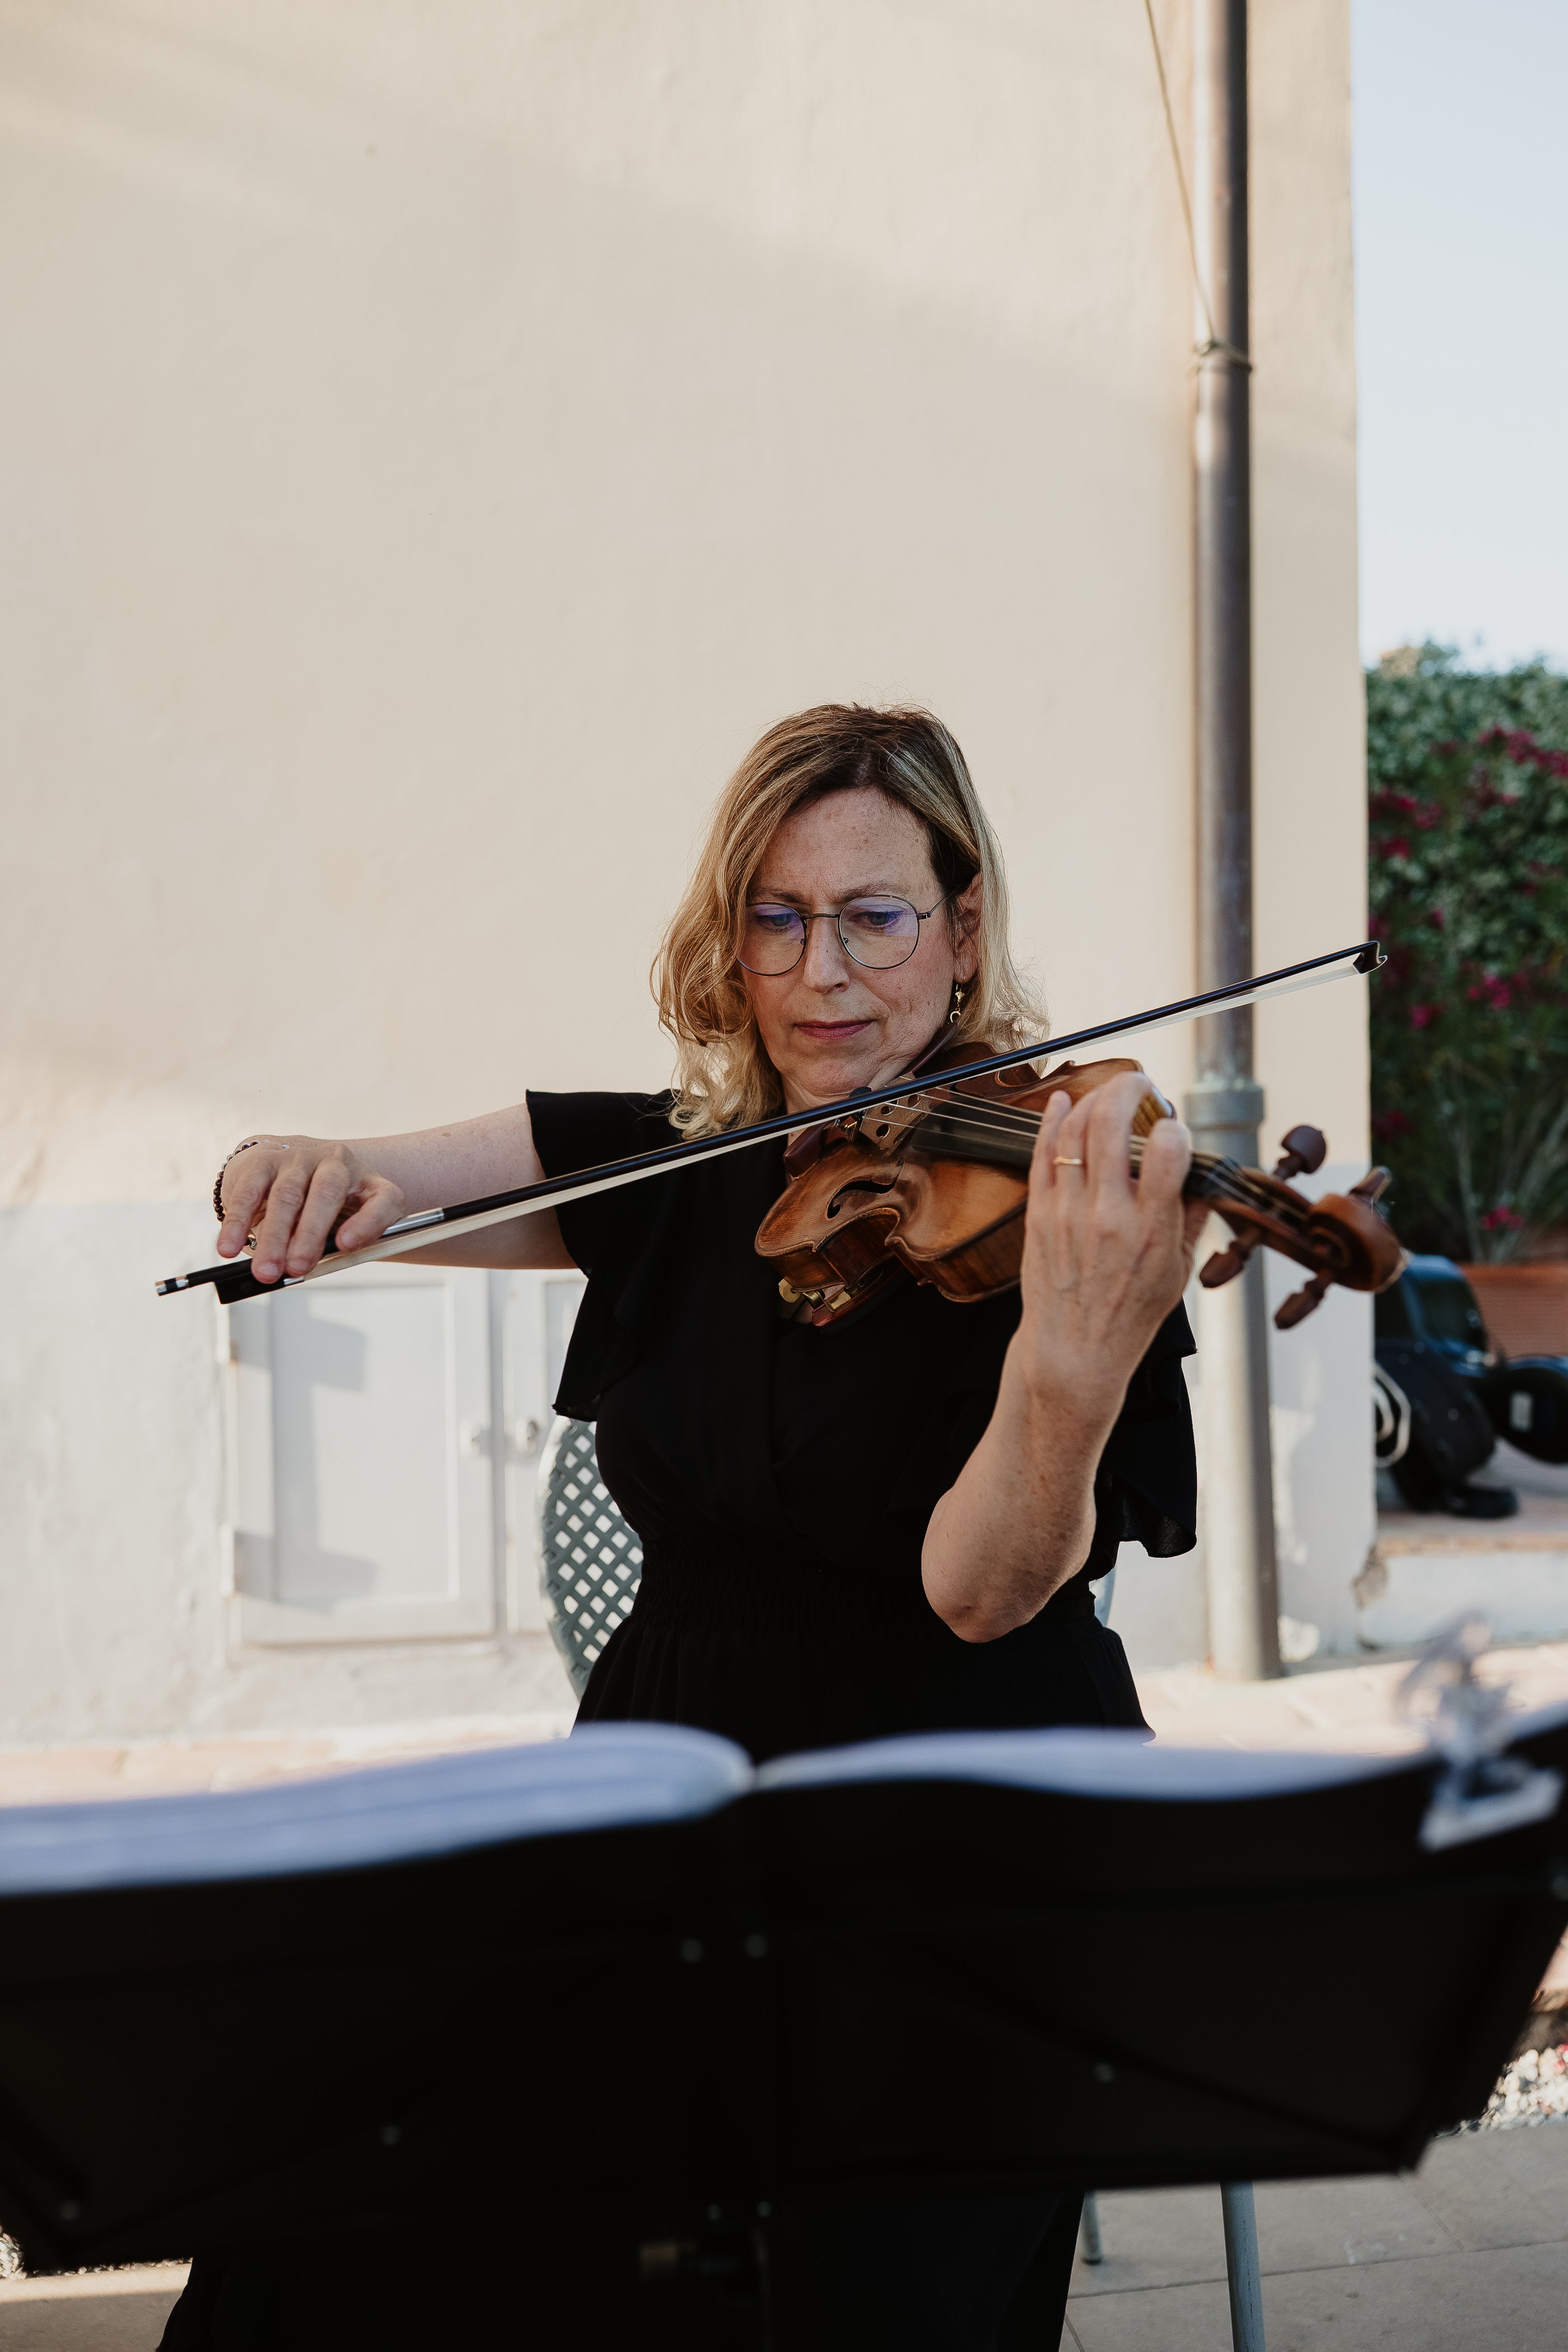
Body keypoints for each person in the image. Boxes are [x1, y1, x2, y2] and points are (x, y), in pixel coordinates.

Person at [163, 704, 1205, 2352]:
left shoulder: (1069, 1205)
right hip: (672, 1779)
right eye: (777, 919)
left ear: (962, 931)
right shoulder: (685, 1160)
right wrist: (279, 1163)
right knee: (338, 2212)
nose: (824, 974)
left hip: (955, 1820)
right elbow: (364, 1181)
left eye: (876, 916)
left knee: (808, 2292)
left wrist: (1072, 1365)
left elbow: (985, 1589)